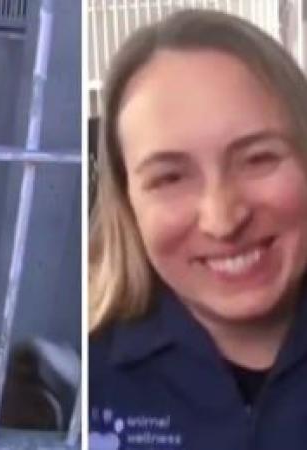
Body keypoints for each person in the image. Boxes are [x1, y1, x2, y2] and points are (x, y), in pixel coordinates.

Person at [89, 9, 307, 449]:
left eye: (258, 158)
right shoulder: (83, 373)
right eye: (170, 178)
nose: (223, 219)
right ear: (127, 202)